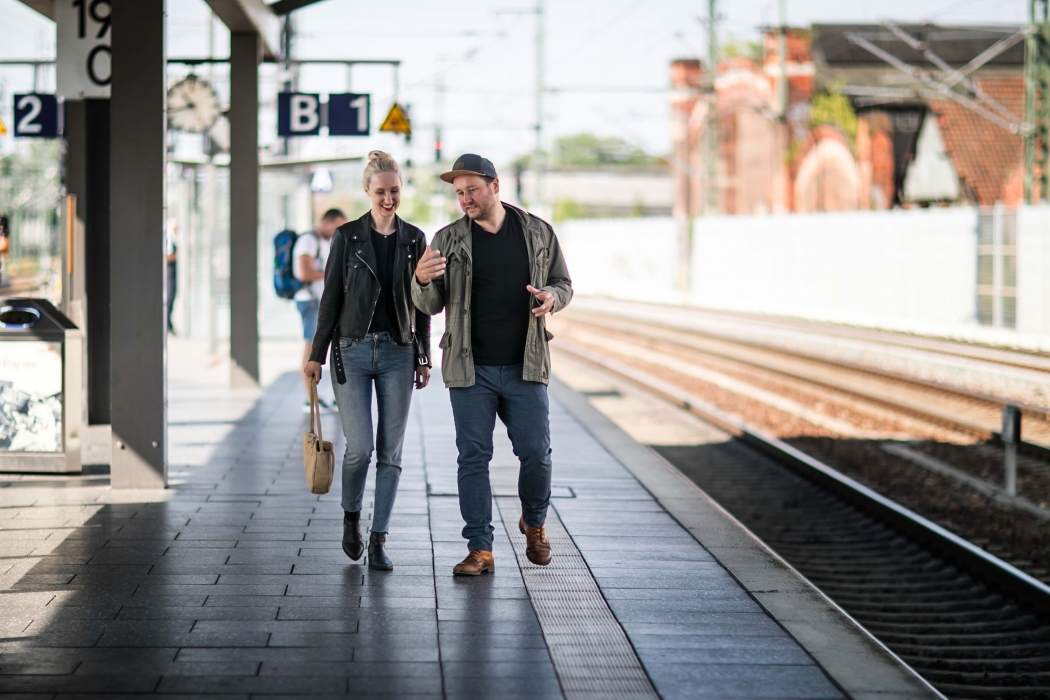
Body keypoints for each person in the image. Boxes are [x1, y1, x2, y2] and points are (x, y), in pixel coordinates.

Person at [412, 154, 572, 576]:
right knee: (473, 457)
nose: (465, 198)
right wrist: (422, 280)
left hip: (525, 364)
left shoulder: (537, 232)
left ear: (495, 187)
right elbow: (430, 304)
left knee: (536, 454)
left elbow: (563, 283)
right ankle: (480, 548)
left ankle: (534, 522)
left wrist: (552, 297)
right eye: (459, 192)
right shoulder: (447, 239)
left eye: (472, 190)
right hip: (470, 368)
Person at [303, 151, 432, 571]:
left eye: (395, 190)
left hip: (398, 351)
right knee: (359, 449)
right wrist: (315, 355)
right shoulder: (346, 236)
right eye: (381, 192)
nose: (389, 198)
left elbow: (424, 302)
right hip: (351, 351)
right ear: (367, 191)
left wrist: (424, 356)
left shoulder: (415, 238)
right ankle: (352, 518)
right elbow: (331, 298)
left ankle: (379, 540)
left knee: (390, 453)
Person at [295, 208, 346, 412]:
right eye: (336, 227)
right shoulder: (308, 240)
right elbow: (303, 272)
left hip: (318, 301)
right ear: (326, 222)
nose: (337, 232)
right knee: (311, 350)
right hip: (310, 301)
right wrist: (331, 275)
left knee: (318, 348)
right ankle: (311, 401)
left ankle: (316, 400)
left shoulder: (322, 241)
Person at [165, 220, 178, 334]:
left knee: (172, 294)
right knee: (170, 295)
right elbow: (168, 256)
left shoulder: (173, 238)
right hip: (170, 272)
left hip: (172, 272)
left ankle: (168, 323)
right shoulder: (169, 238)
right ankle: (167, 323)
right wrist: (176, 256)